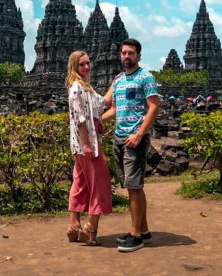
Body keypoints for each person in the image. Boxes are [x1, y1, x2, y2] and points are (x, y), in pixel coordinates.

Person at [103, 38, 160, 252]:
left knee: (134, 187)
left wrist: (139, 134)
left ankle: (136, 236)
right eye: (124, 53)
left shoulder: (146, 78)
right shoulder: (117, 80)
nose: (126, 56)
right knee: (131, 186)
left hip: (134, 138)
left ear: (138, 56)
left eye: (131, 53)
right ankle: (143, 229)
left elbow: (154, 108)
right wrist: (97, 119)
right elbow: (113, 109)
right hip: (119, 137)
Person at [66, 50, 113, 246]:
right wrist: (86, 144)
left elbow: (103, 103)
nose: (86, 67)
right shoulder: (77, 88)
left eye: (88, 63)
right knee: (100, 184)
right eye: (82, 65)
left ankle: (73, 226)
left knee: (80, 182)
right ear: (74, 67)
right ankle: (90, 228)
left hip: (83, 145)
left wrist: (115, 83)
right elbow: (80, 119)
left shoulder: (87, 88)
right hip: (87, 145)